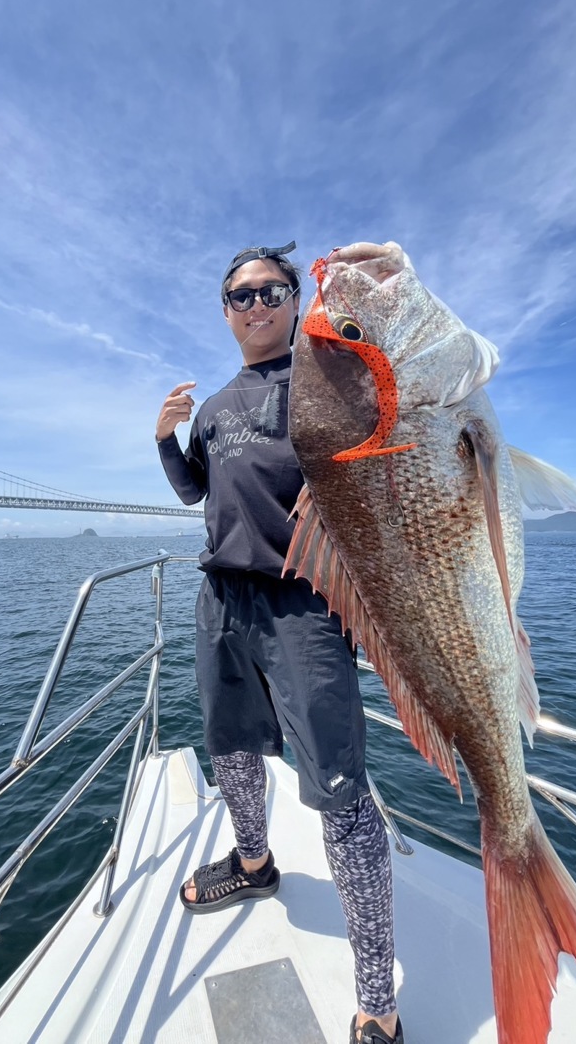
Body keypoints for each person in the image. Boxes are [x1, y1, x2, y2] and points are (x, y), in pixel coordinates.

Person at [155, 241, 403, 1044]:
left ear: (295, 299)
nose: (257, 306)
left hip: (304, 607)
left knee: (341, 797)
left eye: (271, 292)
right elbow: (199, 485)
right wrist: (166, 440)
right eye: (240, 296)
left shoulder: (326, 381)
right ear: (224, 312)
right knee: (228, 749)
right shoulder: (217, 403)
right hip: (220, 598)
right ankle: (255, 864)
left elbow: (394, 394)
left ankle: (379, 1002)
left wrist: (387, 282)